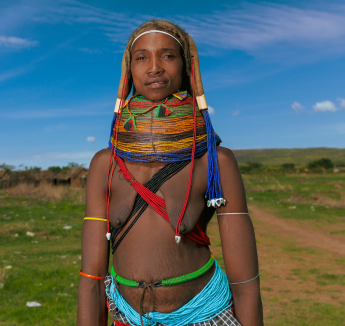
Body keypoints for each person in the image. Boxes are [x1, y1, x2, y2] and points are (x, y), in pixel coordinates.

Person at [77, 20, 263, 326]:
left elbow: (245, 283)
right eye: (141, 57)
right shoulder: (105, 164)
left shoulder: (215, 161)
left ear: (187, 68)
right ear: (129, 71)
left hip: (206, 316)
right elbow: (92, 279)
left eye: (168, 55)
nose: (154, 68)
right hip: (128, 319)